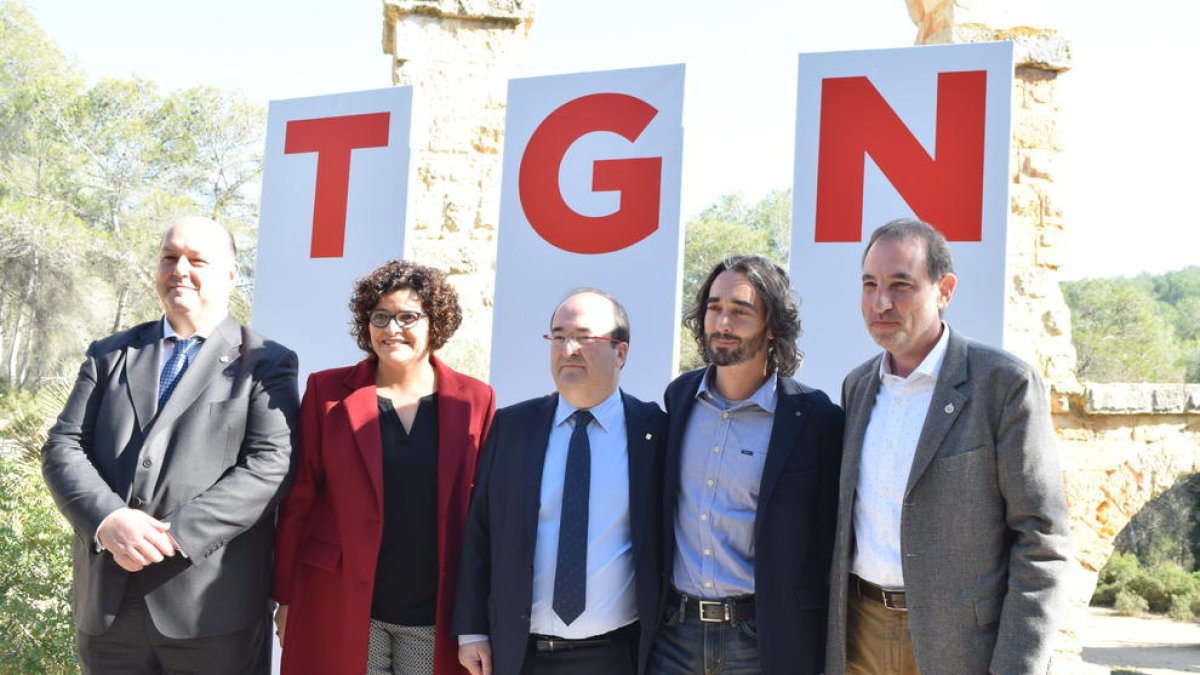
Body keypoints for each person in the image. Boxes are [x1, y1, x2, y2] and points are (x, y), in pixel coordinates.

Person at [41, 215, 299, 674]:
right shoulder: (109, 355)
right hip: (108, 608)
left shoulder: (265, 362)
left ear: (231, 273)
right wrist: (109, 519)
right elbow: (64, 445)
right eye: (169, 257)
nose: (179, 269)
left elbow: (270, 466)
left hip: (212, 611)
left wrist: (171, 536)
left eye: (196, 260)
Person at [826, 218, 1073, 675]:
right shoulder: (856, 386)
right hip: (858, 638)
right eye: (870, 284)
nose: (881, 302)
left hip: (960, 648)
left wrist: (1017, 665)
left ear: (944, 290)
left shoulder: (1003, 385)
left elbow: (1041, 540)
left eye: (901, 285)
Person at [272, 260, 495, 675]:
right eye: (380, 316)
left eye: (407, 317)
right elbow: (300, 498)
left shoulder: (475, 400)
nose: (392, 329)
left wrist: (477, 615)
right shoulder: (326, 391)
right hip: (343, 601)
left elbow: (483, 513)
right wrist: (285, 596)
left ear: (435, 322)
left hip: (433, 612)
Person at [453, 289, 667, 675]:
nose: (568, 349)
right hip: (519, 655)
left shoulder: (653, 431)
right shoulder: (512, 427)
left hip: (616, 656)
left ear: (620, 352)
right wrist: (471, 631)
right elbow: (480, 532)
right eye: (558, 336)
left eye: (584, 337)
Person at [649, 255, 844, 675]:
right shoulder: (679, 399)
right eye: (714, 308)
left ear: (772, 325)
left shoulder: (813, 418)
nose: (722, 323)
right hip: (674, 637)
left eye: (740, 311)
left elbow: (829, 536)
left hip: (762, 640)